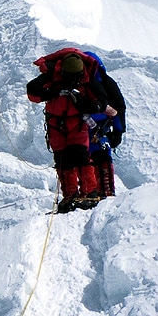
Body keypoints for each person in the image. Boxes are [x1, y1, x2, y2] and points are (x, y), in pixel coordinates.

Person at [26, 48, 117, 213]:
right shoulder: (53, 75)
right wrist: (52, 93)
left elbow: (102, 101)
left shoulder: (87, 78)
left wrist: (85, 104)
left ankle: (89, 193)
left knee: (81, 157)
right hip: (57, 125)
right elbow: (32, 90)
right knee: (63, 160)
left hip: (76, 124)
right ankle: (71, 195)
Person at [84, 51, 126, 199]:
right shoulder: (106, 83)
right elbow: (119, 109)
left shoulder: (84, 84)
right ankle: (104, 192)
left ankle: (94, 192)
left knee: (93, 158)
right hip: (99, 128)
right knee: (100, 157)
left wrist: (119, 131)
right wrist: (118, 131)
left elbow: (118, 109)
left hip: (89, 130)